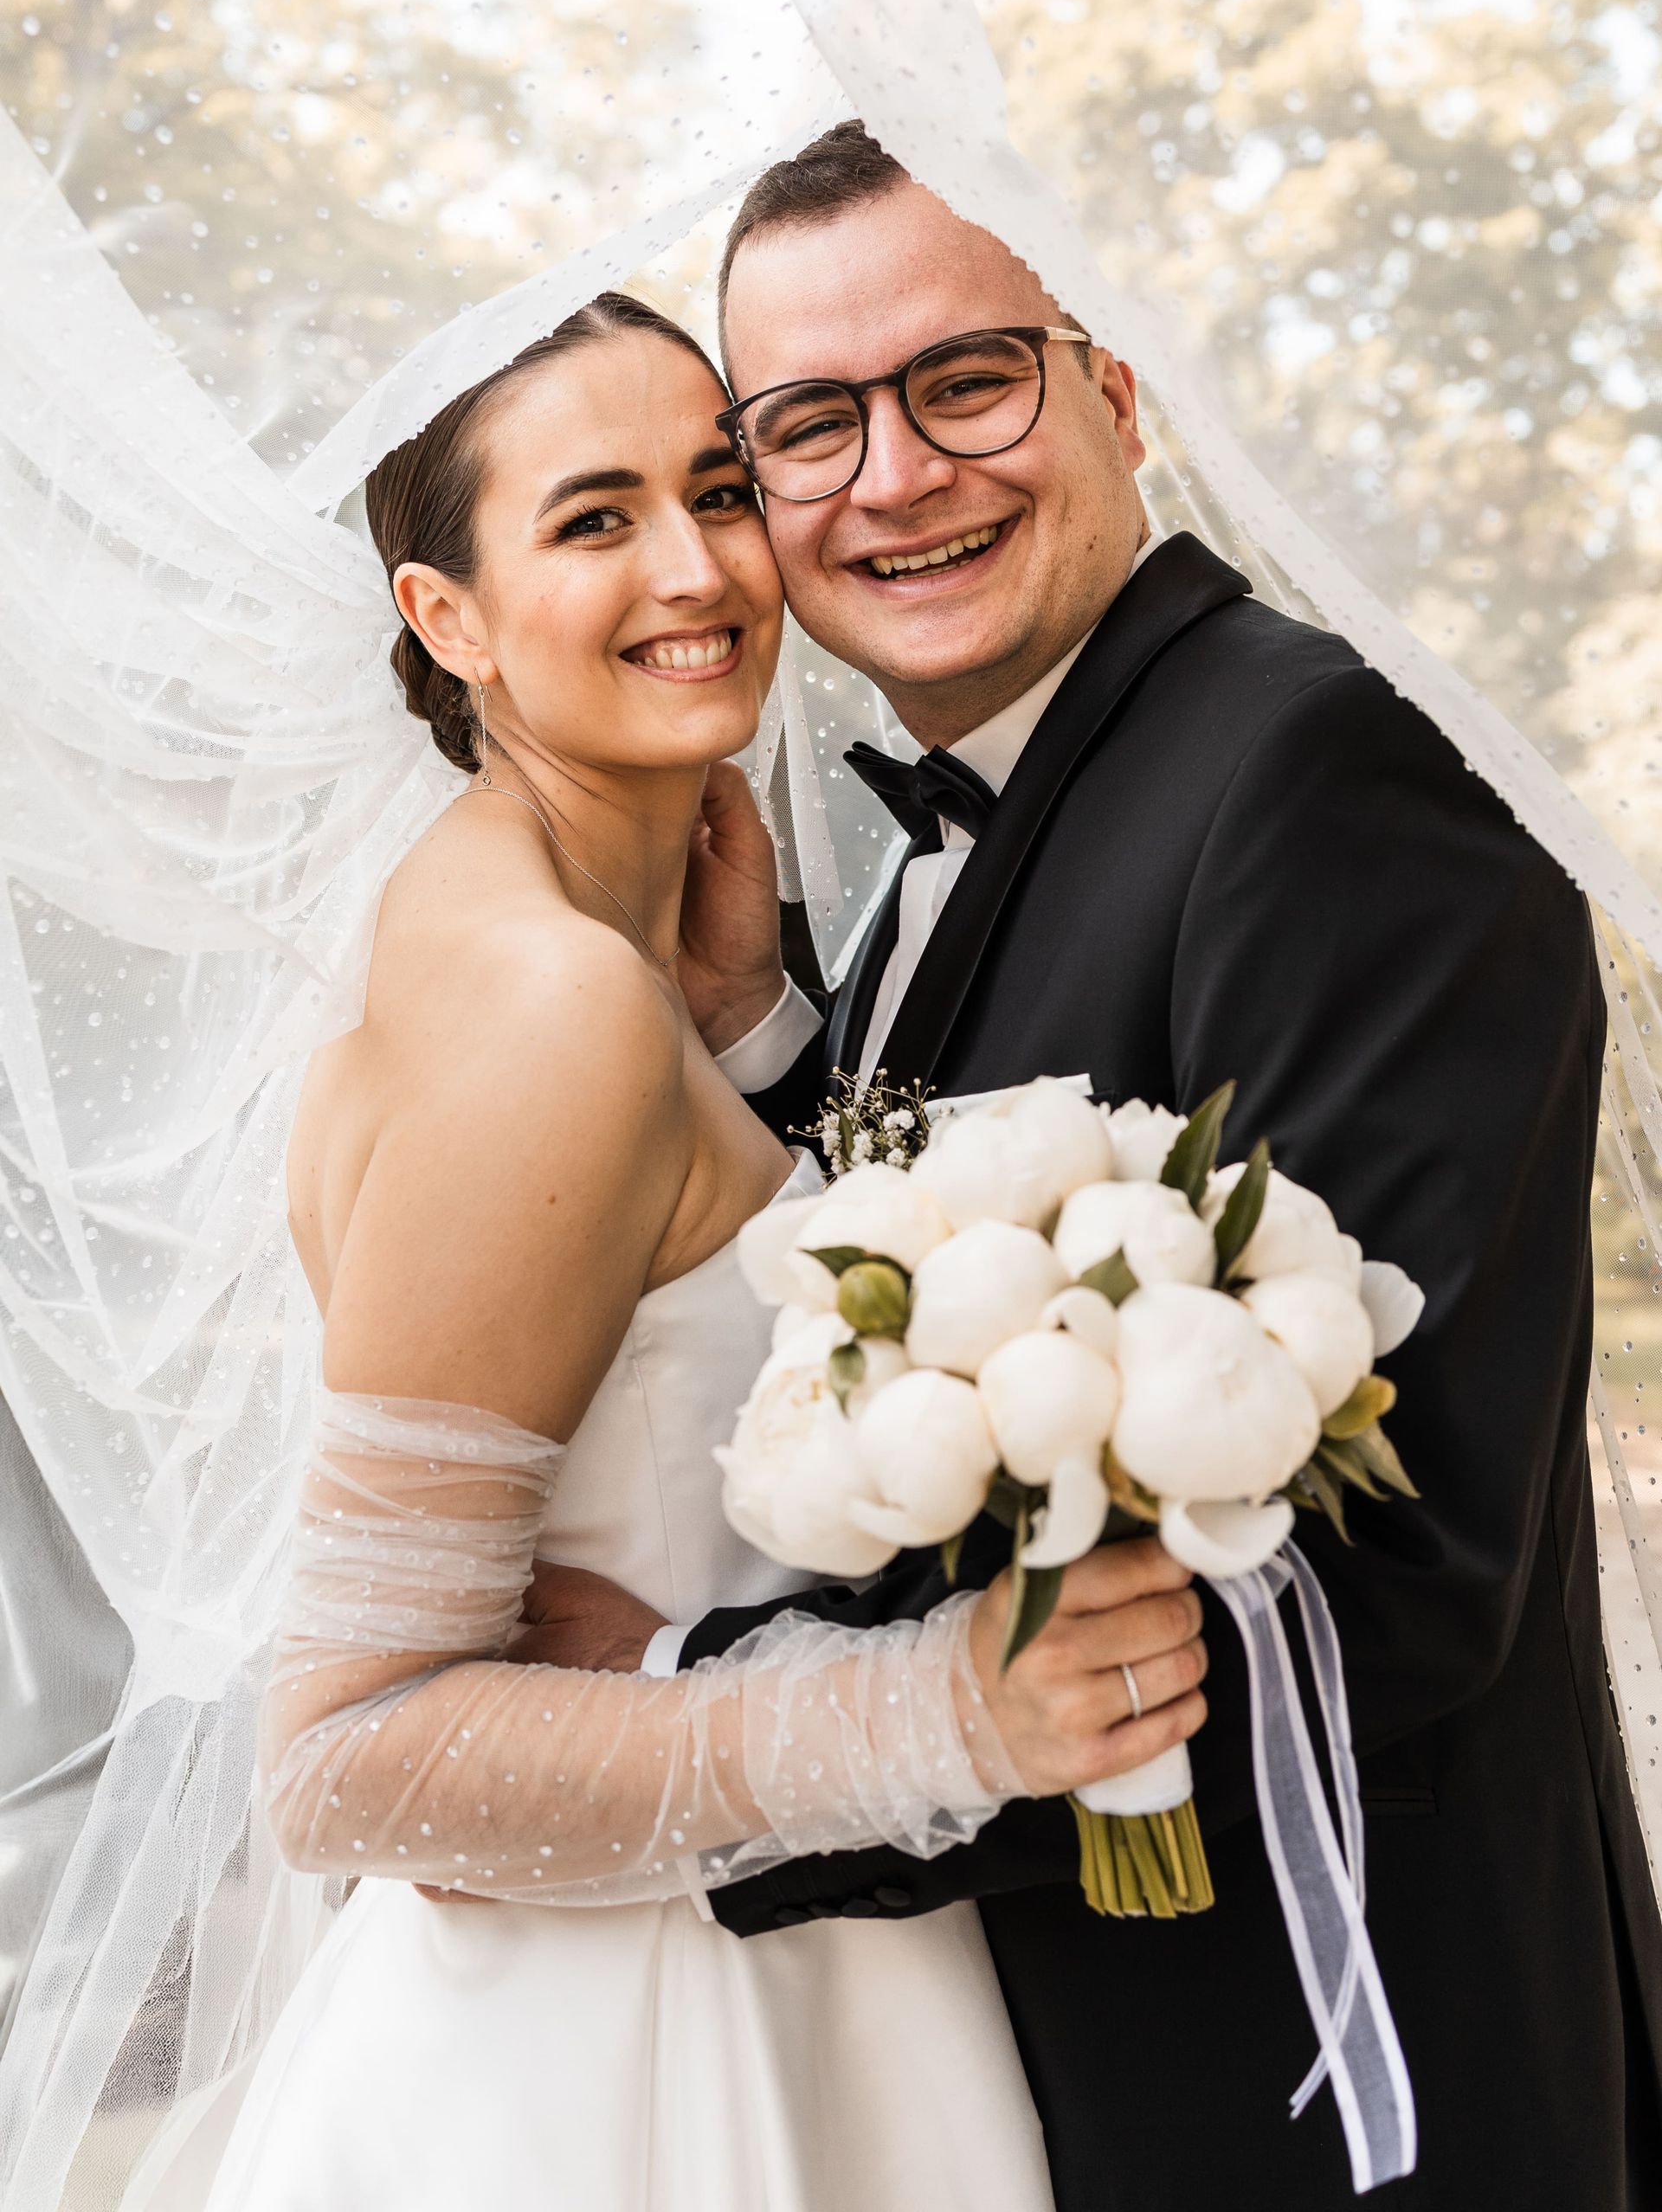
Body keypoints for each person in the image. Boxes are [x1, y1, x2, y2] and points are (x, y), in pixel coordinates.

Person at [539, 127, 1662, 2211]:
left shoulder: (1331, 770)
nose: (894, 474)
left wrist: (714, 1723)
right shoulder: (957, 829)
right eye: (807, 426)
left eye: (966, 379)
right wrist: (771, 1042)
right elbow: (921, 1319)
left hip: (1332, 2088)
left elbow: (1390, 1585)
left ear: (1114, 389)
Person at [129, 289, 1208, 2212]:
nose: (699, 566)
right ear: (443, 616)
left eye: (717, 489)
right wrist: (949, 1711)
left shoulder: (610, 965)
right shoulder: (548, 1011)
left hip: (764, 1982)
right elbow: (345, 1758)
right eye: (593, 517)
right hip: (627, 2068)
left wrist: (754, 1036)